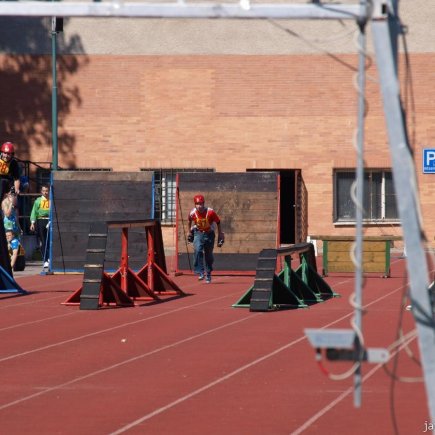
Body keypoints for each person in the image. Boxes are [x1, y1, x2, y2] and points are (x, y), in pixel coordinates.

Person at [187, 194, 224, 283]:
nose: (200, 206)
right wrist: (189, 231)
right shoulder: (193, 213)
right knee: (198, 250)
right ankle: (200, 272)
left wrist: (220, 234)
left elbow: (218, 222)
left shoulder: (210, 212)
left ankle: (208, 273)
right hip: (198, 233)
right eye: (198, 204)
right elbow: (189, 221)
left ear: (204, 203)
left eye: (201, 204)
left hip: (209, 234)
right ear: (195, 204)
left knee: (208, 255)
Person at [30, 185, 51, 268]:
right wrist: (32, 223)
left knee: (49, 240)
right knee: (43, 240)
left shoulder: (51, 200)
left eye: (47, 191)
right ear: (41, 191)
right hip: (41, 220)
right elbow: (34, 212)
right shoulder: (38, 201)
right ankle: (45, 259)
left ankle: (49, 257)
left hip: (49, 220)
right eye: (44, 191)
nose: (45, 192)